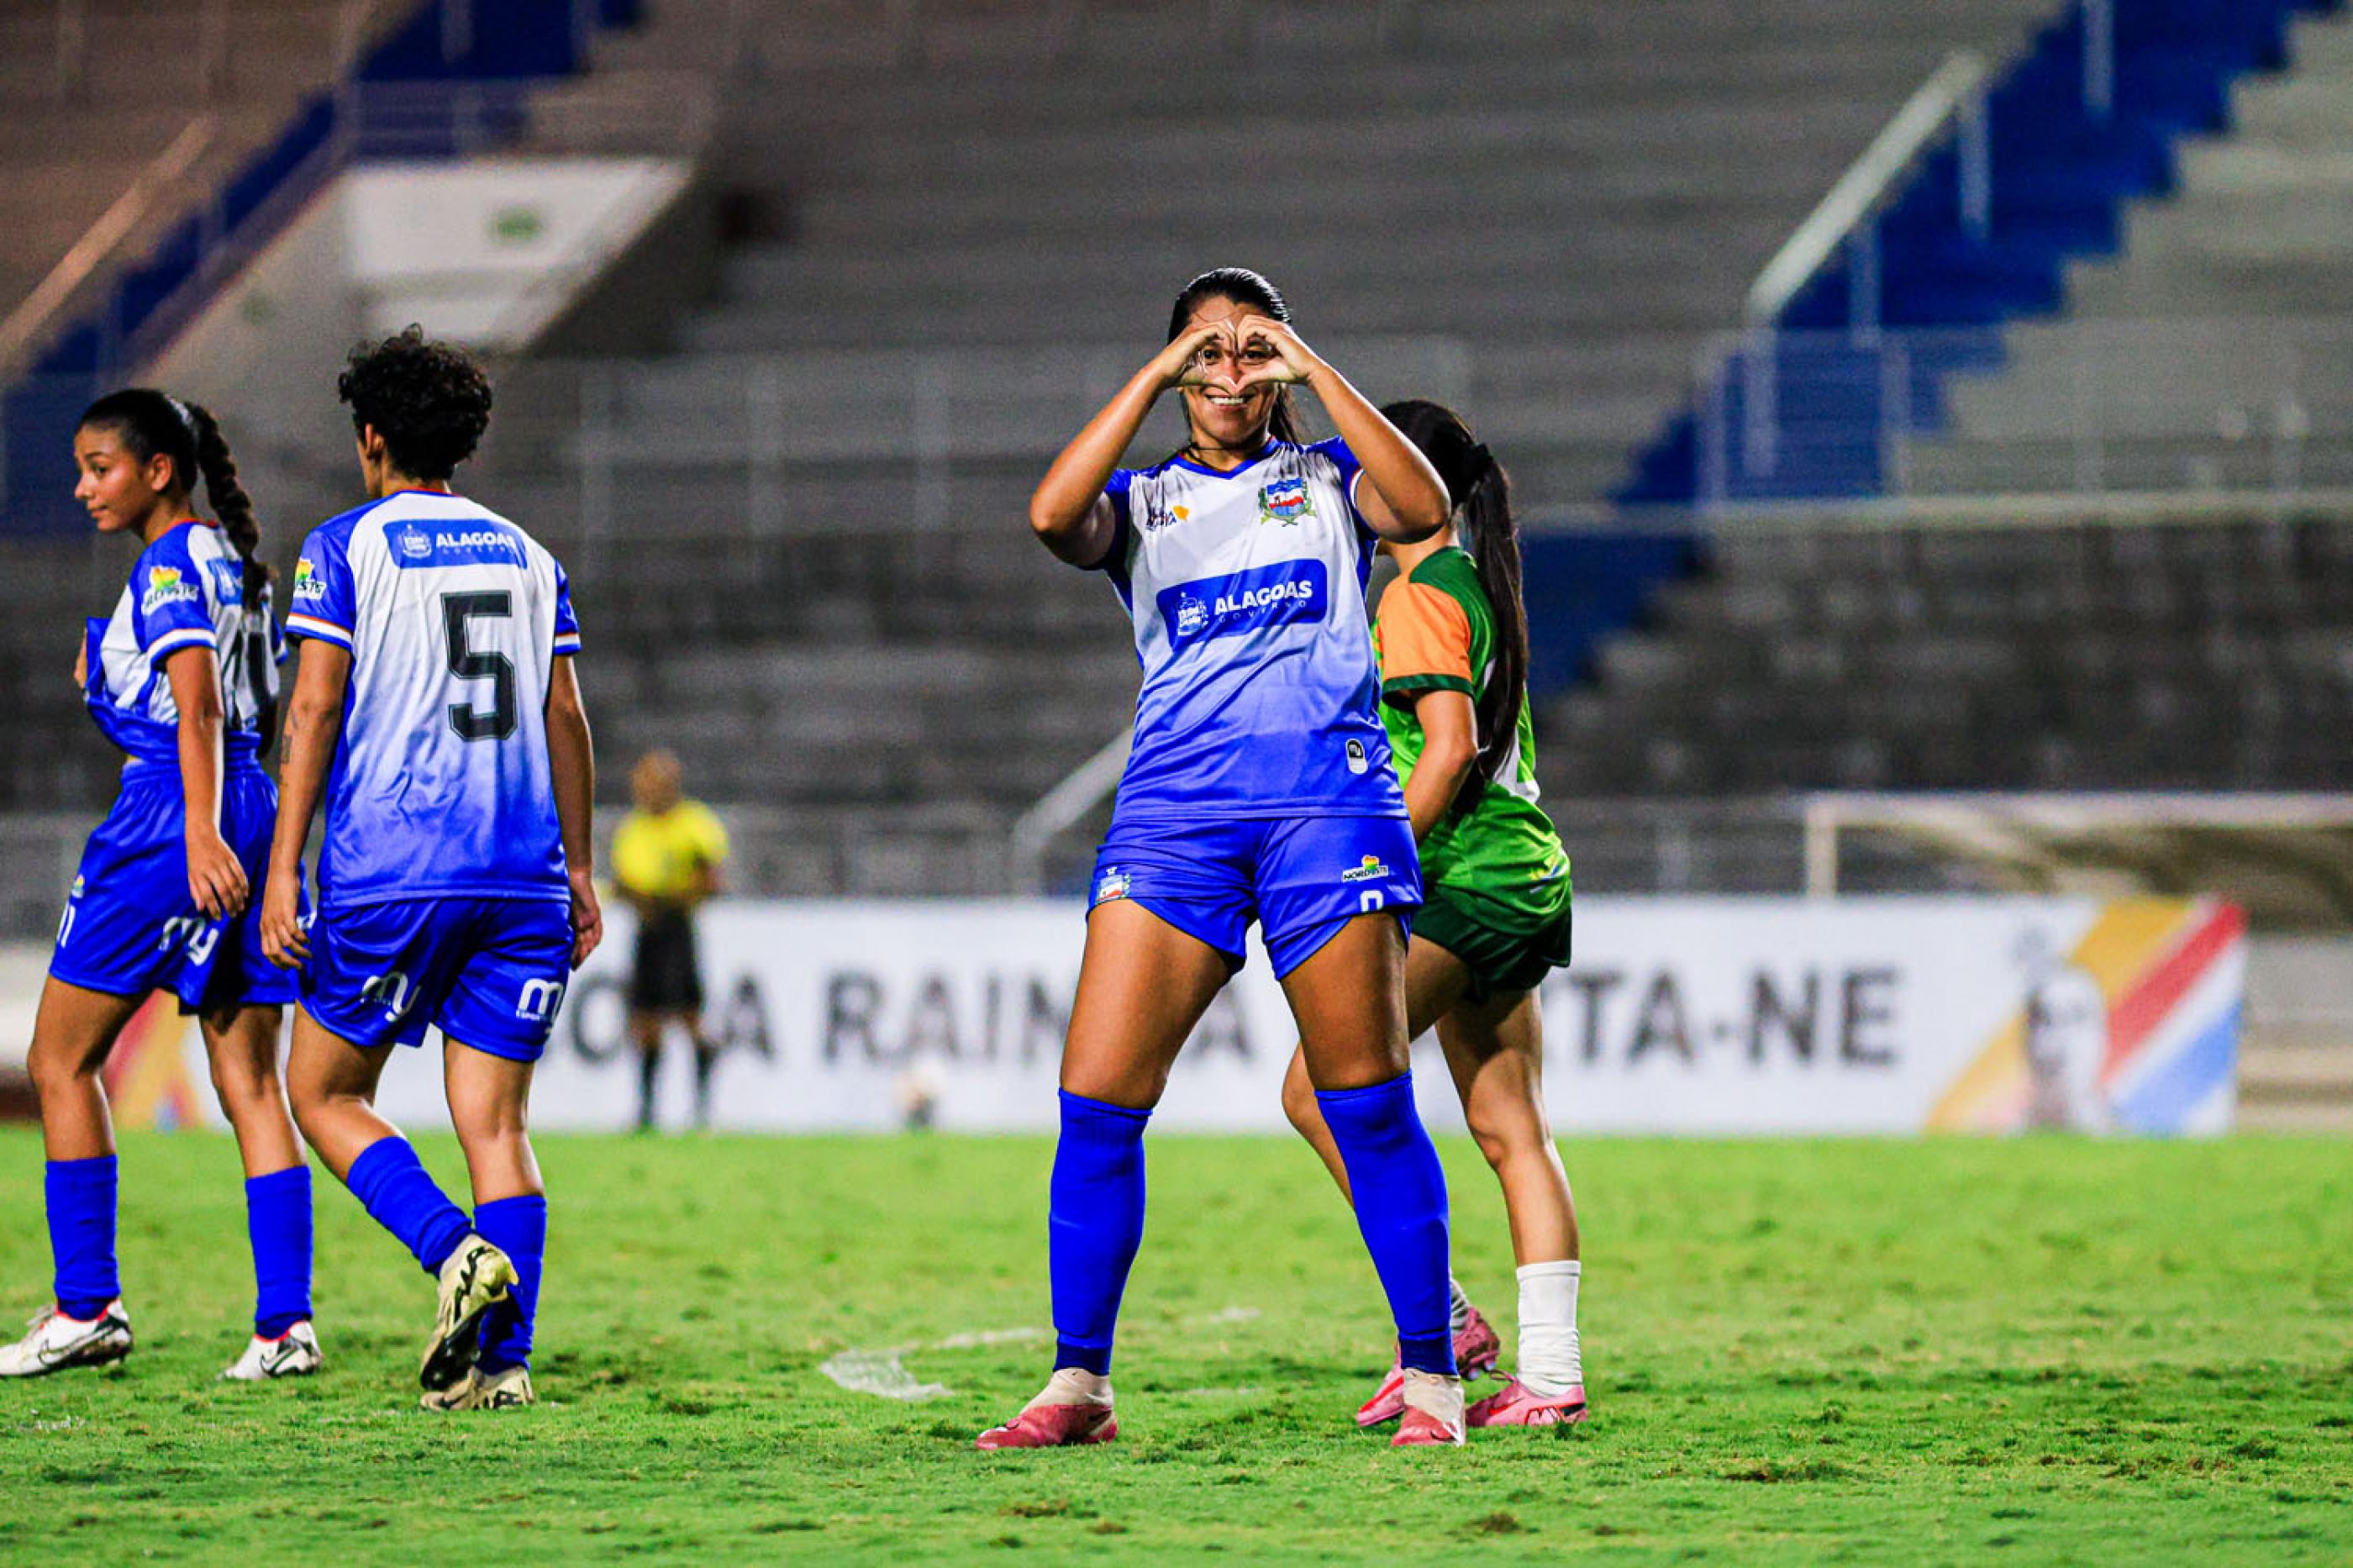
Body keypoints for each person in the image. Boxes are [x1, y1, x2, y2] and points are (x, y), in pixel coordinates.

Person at [977, 267, 1467, 1450]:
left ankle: (1435, 1378)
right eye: (1207, 354)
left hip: (1326, 815)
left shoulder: (1331, 479)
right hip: (1172, 822)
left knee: (1370, 1104)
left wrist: (1310, 363)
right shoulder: (1140, 504)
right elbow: (1051, 515)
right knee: (1096, 1103)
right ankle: (1080, 1384)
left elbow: (1424, 506)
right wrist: (1153, 371)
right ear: (1176, 369)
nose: (1229, 375)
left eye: (1250, 354)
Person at [259, 327, 601, 1413]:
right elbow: (565, 713)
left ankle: (450, 1249)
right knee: (496, 1124)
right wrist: (581, 871)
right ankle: (503, 1367)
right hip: (523, 873)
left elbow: (314, 706)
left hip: (396, 865)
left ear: (371, 436)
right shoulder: (529, 554)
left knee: (319, 1089)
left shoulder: (343, 546)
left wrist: (282, 870)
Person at [2, 391, 320, 1382]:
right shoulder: (235, 564)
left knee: (59, 1061)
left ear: (157, 472)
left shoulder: (171, 560)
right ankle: (285, 1327)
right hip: (254, 805)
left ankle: (85, 1305)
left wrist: (193, 834)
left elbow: (198, 711)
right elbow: (226, 703)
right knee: (250, 1083)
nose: (84, 486)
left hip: (171, 821)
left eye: (100, 467)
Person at [1280, 402, 1586, 1429]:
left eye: (1364, 469)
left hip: (1457, 871)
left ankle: (1443, 1319)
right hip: (1522, 870)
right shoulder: (1474, 580)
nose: (1350, 487)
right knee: (1513, 1128)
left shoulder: (1416, 592)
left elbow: (1447, 748)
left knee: (1321, 1088)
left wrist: (1374, 861)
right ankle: (1550, 1376)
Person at [611, 750, 729, 1131]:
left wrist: (673, 898)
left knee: (689, 1017)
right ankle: (647, 1112)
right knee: (645, 1022)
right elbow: (622, 883)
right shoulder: (632, 829)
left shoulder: (694, 824)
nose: (648, 791)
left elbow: (711, 880)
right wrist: (635, 896)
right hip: (648, 930)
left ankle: (702, 1109)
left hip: (678, 927)